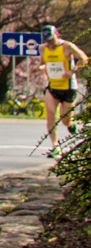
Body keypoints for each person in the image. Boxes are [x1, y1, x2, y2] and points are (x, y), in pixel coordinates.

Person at [41, 25, 86, 157]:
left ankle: (71, 125)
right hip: (53, 87)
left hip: (68, 87)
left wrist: (72, 71)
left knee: (65, 120)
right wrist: (39, 68)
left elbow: (84, 58)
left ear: (57, 35)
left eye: (51, 38)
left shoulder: (67, 46)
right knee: (50, 115)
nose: (49, 42)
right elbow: (47, 63)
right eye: (46, 39)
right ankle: (55, 147)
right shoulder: (43, 49)